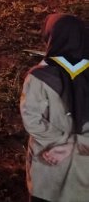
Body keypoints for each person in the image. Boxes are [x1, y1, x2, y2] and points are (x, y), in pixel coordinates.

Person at [20, 14, 89, 202]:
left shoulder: (39, 77)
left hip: (48, 164)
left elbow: (32, 119)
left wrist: (60, 142)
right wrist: (76, 144)